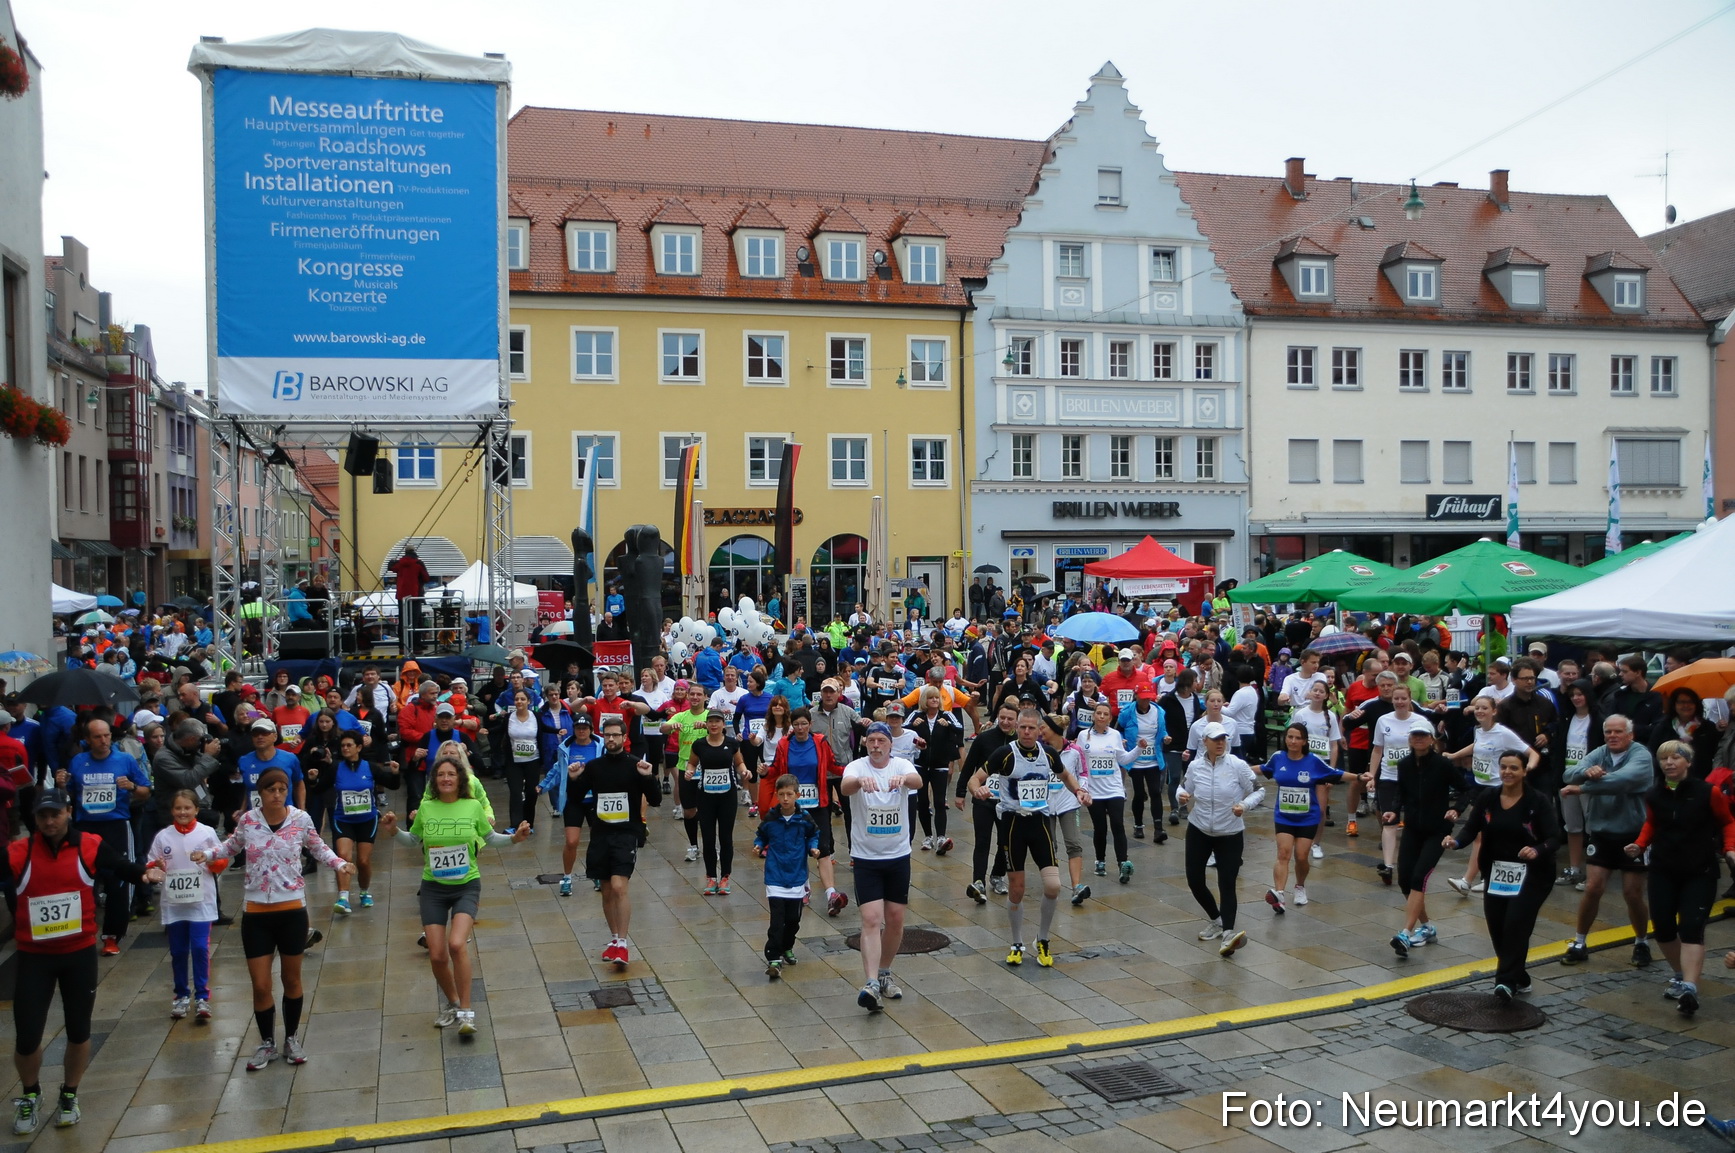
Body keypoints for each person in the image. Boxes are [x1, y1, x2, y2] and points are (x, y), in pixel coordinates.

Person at [9, 789, 165, 1133]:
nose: (49, 821)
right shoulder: (19, 852)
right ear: (35, 819)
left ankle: (69, 1093)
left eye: (55, 814)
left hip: (77, 955)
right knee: (27, 1035)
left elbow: (122, 866)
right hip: (34, 957)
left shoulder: (89, 845)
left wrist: (145, 874)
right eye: (42, 816)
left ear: (69, 812)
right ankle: (31, 1093)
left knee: (79, 1030)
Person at [192, 767, 349, 1070]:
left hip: (292, 910)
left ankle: (291, 1038)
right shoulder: (249, 820)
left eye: (282, 789)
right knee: (261, 984)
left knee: (291, 978)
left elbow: (318, 847)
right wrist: (208, 855)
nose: (277, 795)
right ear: (260, 793)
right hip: (256, 913)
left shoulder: (300, 819)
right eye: (270, 790)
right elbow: (231, 845)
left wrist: (339, 863)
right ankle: (267, 1042)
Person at [381, 746, 529, 1032]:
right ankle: (452, 1002)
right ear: (434, 780)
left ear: (460, 778)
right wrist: (393, 831)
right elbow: (413, 841)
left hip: (466, 885)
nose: (446, 779)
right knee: (437, 955)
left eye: (451, 774)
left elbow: (490, 838)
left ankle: (467, 1011)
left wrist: (514, 839)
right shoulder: (427, 808)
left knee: (457, 944)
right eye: (441, 775)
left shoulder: (472, 807)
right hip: (433, 888)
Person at [1624, 739, 1735, 1016]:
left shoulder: (1707, 792)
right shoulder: (1654, 794)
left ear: (1688, 762)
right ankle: (1680, 974)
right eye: (1664, 759)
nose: (1669, 763)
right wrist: (1640, 844)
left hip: (1700, 871)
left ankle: (1689, 988)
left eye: (1675, 757)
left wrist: (1730, 848)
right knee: (1663, 928)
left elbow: (1727, 821)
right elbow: (1652, 822)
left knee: (1691, 928)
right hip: (1663, 870)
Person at [1443, 749, 1562, 1001]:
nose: (1508, 772)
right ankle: (1519, 976)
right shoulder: (1489, 797)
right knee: (1497, 926)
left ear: (1524, 771)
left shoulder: (1537, 801)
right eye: (1504, 767)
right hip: (1496, 871)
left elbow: (1554, 838)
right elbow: (1472, 827)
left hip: (1533, 873)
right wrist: (1455, 842)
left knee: (1516, 924)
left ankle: (1505, 982)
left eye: (1514, 768)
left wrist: (1536, 850)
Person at [975, 709, 1090, 968]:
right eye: (1023, 727)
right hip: (1013, 823)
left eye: (1031, 728)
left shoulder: (1048, 754)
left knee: (1053, 886)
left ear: (1040, 730)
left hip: (1040, 822)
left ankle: (1043, 938)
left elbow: (1065, 775)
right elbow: (976, 778)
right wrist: (977, 789)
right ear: (1017, 727)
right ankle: (1017, 942)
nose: (1027, 732)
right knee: (1017, 889)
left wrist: (1079, 791)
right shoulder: (1004, 754)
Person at [562, 717, 661, 967]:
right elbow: (575, 798)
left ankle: (624, 943)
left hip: (626, 833)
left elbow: (656, 799)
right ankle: (614, 939)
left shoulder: (635, 765)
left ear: (625, 738)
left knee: (618, 886)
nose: (611, 739)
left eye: (616, 735)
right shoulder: (594, 767)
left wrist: (648, 777)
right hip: (601, 834)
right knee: (606, 889)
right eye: (607, 735)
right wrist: (573, 778)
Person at [839, 723, 924, 1010]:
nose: (876, 746)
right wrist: (859, 783)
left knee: (896, 919)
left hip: (898, 856)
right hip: (866, 858)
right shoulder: (857, 767)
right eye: (872, 741)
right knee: (872, 919)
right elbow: (845, 786)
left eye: (881, 741)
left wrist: (904, 779)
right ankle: (871, 982)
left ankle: (885, 971)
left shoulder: (901, 764)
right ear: (865, 743)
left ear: (890, 744)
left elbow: (917, 781)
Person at [1560, 715, 1655, 966]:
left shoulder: (1641, 755)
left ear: (1630, 734)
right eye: (1608, 732)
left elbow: (1622, 781)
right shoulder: (1599, 753)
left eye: (1618, 732)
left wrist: (1584, 787)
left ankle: (1641, 942)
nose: (1612, 736)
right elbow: (1569, 774)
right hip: (1602, 832)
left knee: (1632, 893)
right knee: (1593, 888)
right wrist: (1585, 771)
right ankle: (1579, 942)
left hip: (1633, 834)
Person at [55, 718, 151, 956]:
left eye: (106, 735)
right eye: (97, 737)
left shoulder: (125, 760)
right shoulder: (78, 761)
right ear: (87, 739)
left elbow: (146, 791)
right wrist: (61, 785)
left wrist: (131, 787)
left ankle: (112, 936)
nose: (103, 740)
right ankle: (82, 932)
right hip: (85, 827)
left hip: (116, 826)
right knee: (83, 880)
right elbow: (68, 794)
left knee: (119, 881)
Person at [1176, 722, 1262, 956]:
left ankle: (1228, 934)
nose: (1220, 743)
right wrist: (1182, 796)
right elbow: (1182, 787)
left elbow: (1258, 790)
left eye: (1223, 738)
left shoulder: (1237, 765)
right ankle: (1216, 919)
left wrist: (1244, 805)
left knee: (1227, 882)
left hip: (1230, 833)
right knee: (1194, 880)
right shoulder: (1195, 766)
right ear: (1204, 741)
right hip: (1199, 829)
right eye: (1215, 739)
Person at [1387, 721, 1471, 958]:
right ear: (1409, 739)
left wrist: (1456, 810)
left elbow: (1465, 789)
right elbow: (1401, 792)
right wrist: (1394, 811)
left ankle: (1405, 932)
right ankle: (1427, 927)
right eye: (1415, 735)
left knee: (1419, 877)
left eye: (1423, 735)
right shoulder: (1404, 764)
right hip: (1413, 828)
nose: (1419, 739)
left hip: (1437, 831)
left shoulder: (1442, 764)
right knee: (1405, 879)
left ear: (1432, 739)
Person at [1445, 696, 1538, 895]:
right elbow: (1476, 745)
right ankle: (1480, 879)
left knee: (1483, 836)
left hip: (1498, 790)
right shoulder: (1479, 731)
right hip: (1480, 787)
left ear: (1494, 711)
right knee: (1482, 835)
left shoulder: (1503, 733)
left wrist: (1527, 769)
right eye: (1477, 708)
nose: (1480, 711)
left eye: (1484, 708)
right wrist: (1454, 755)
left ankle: (1472, 880)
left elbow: (1532, 753)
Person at [145, 789, 225, 1019]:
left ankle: (202, 996)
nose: (183, 812)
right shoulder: (163, 837)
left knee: (200, 948)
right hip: (175, 904)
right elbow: (151, 867)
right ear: (172, 810)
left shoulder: (207, 832)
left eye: (187, 808)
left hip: (201, 902)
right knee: (178, 951)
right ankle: (181, 995)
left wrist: (209, 861)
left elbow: (221, 861)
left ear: (196, 810)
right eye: (178, 808)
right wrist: (157, 867)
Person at [1261, 723, 1356, 913]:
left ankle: (1300, 886)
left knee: (1301, 856)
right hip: (1284, 816)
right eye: (1290, 737)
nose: (1293, 741)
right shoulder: (1278, 758)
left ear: (1304, 741)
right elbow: (1262, 769)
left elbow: (1335, 774)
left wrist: (1359, 777)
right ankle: (1279, 894)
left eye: (1297, 738)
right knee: (1283, 853)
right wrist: (1238, 767)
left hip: (1307, 818)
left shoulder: (1313, 761)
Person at [754, 773, 821, 979]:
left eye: (789, 794)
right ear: (776, 795)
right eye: (781, 794)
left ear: (797, 795)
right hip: (775, 874)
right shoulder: (771, 818)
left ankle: (787, 946)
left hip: (796, 875)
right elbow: (761, 834)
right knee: (777, 919)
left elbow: (814, 834)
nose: (785, 799)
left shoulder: (804, 818)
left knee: (793, 919)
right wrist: (758, 845)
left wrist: (813, 848)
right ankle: (773, 956)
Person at [956, 700, 1018, 902]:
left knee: (1005, 841)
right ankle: (978, 881)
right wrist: (960, 792)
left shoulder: (1019, 741)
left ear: (1016, 721)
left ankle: (997, 875)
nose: (1005, 722)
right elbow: (969, 766)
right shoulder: (984, 738)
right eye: (1002, 718)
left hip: (1008, 801)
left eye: (1010, 719)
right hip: (983, 798)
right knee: (982, 840)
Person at [1550, 679, 1605, 889]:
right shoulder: (1566, 718)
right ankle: (1574, 868)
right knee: (1572, 826)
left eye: (1580, 694)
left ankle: (1593, 873)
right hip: (1567, 779)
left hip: (1590, 781)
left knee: (1593, 828)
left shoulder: (1599, 720)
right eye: (1573, 694)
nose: (1576, 698)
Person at [687, 709, 748, 895]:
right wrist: (689, 771)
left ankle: (725, 877)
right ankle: (711, 877)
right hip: (706, 796)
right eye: (711, 721)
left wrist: (744, 771)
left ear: (723, 724)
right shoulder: (699, 744)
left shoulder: (731, 743)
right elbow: (692, 763)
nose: (714, 725)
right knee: (707, 837)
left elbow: (739, 763)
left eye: (717, 721)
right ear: (706, 724)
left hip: (727, 796)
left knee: (725, 837)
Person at [1077, 701, 1136, 884]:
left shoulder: (1115, 735)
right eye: (1099, 713)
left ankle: (1122, 863)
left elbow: (1123, 759)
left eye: (1105, 714)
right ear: (1093, 716)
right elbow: (1079, 762)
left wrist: (1139, 748)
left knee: (1118, 824)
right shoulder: (1083, 736)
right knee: (1100, 827)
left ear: (1110, 718)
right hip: (1094, 791)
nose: (1101, 717)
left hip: (1114, 789)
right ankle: (1100, 861)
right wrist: (1080, 787)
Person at [330, 732, 384, 915]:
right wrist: (313, 779)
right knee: (343, 856)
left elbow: (393, 783)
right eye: (342, 745)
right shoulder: (336, 767)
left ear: (359, 747)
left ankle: (364, 892)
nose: (345, 748)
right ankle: (343, 898)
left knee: (363, 861)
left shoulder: (370, 767)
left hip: (367, 820)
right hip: (343, 819)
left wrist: (394, 772)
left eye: (349, 745)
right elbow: (320, 786)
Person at [909, 687, 962, 854]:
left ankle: (941, 837)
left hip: (940, 764)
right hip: (921, 764)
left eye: (936, 698)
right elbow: (903, 727)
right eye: (931, 698)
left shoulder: (946, 715)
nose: (934, 701)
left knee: (939, 801)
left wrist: (949, 725)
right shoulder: (916, 715)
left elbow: (959, 727)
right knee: (923, 802)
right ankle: (927, 836)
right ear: (924, 700)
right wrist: (912, 725)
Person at [1117, 683, 1169, 842]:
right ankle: (1138, 825)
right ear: (1136, 696)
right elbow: (1118, 730)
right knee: (1139, 794)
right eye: (1143, 698)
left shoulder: (1159, 712)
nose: (1146, 702)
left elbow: (1162, 730)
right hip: (1135, 760)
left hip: (1153, 759)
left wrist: (1166, 737)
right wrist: (1122, 740)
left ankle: (1158, 829)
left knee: (1155, 792)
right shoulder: (1127, 712)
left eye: (1148, 698)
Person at [390, 547, 432, 656]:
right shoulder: (418, 564)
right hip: (415, 596)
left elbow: (391, 567)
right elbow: (426, 578)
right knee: (415, 621)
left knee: (402, 621)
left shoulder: (399, 564)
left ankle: (402, 646)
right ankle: (416, 646)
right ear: (414, 552)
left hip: (401, 597)